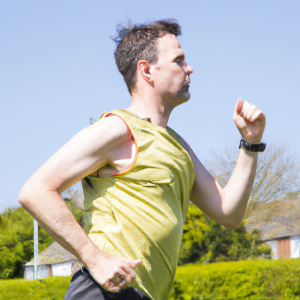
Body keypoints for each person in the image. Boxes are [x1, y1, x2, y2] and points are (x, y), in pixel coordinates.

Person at [18, 19, 266, 300]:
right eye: (179, 60)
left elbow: (229, 213)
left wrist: (251, 144)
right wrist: (94, 258)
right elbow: (36, 191)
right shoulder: (118, 128)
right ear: (147, 70)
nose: (190, 68)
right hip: (104, 292)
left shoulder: (179, 146)